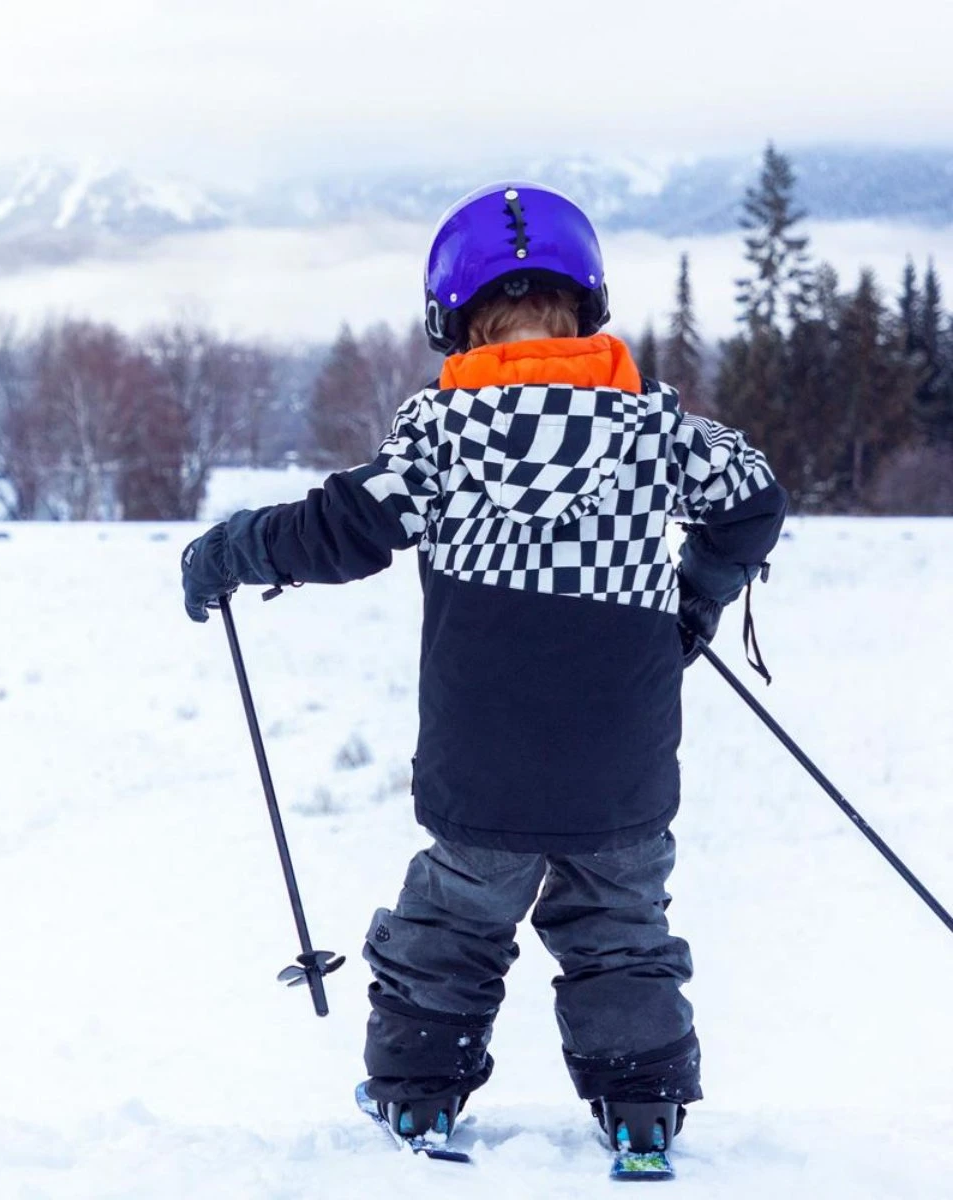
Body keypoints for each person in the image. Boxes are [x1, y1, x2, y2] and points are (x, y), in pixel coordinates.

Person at [180, 182, 788, 1154]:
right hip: (622, 769)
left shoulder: (442, 437)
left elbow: (337, 531)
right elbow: (756, 500)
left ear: (450, 318)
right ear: (587, 305)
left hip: (483, 771)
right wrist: (696, 599)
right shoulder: (659, 433)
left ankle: (419, 1094)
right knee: (621, 929)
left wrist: (232, 550)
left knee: (452, 929)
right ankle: (641, 1110)